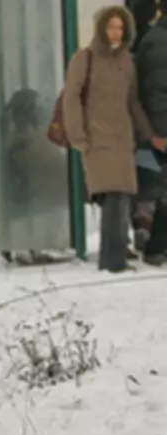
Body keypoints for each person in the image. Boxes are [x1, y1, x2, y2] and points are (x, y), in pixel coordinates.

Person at [63, 5, 164, 272]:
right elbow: (71, 97)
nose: (116, 33)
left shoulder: (126, 62)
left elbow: (132, 103)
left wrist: (150, 134)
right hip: (96, 137)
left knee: (121, 197)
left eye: (120, 28)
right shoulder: (85, 58)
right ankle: (113, 260)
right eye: (111, 27)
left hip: (123, 138)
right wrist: (78, 136)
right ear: (101, 29)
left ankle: (113, 256)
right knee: (113, 196)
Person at [135, 0, 167, 264]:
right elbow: (156, 90)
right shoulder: (159, 41)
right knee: (160, 189)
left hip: (158, 124)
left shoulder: (156, 37)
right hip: (161, 127)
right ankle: (156, 247)